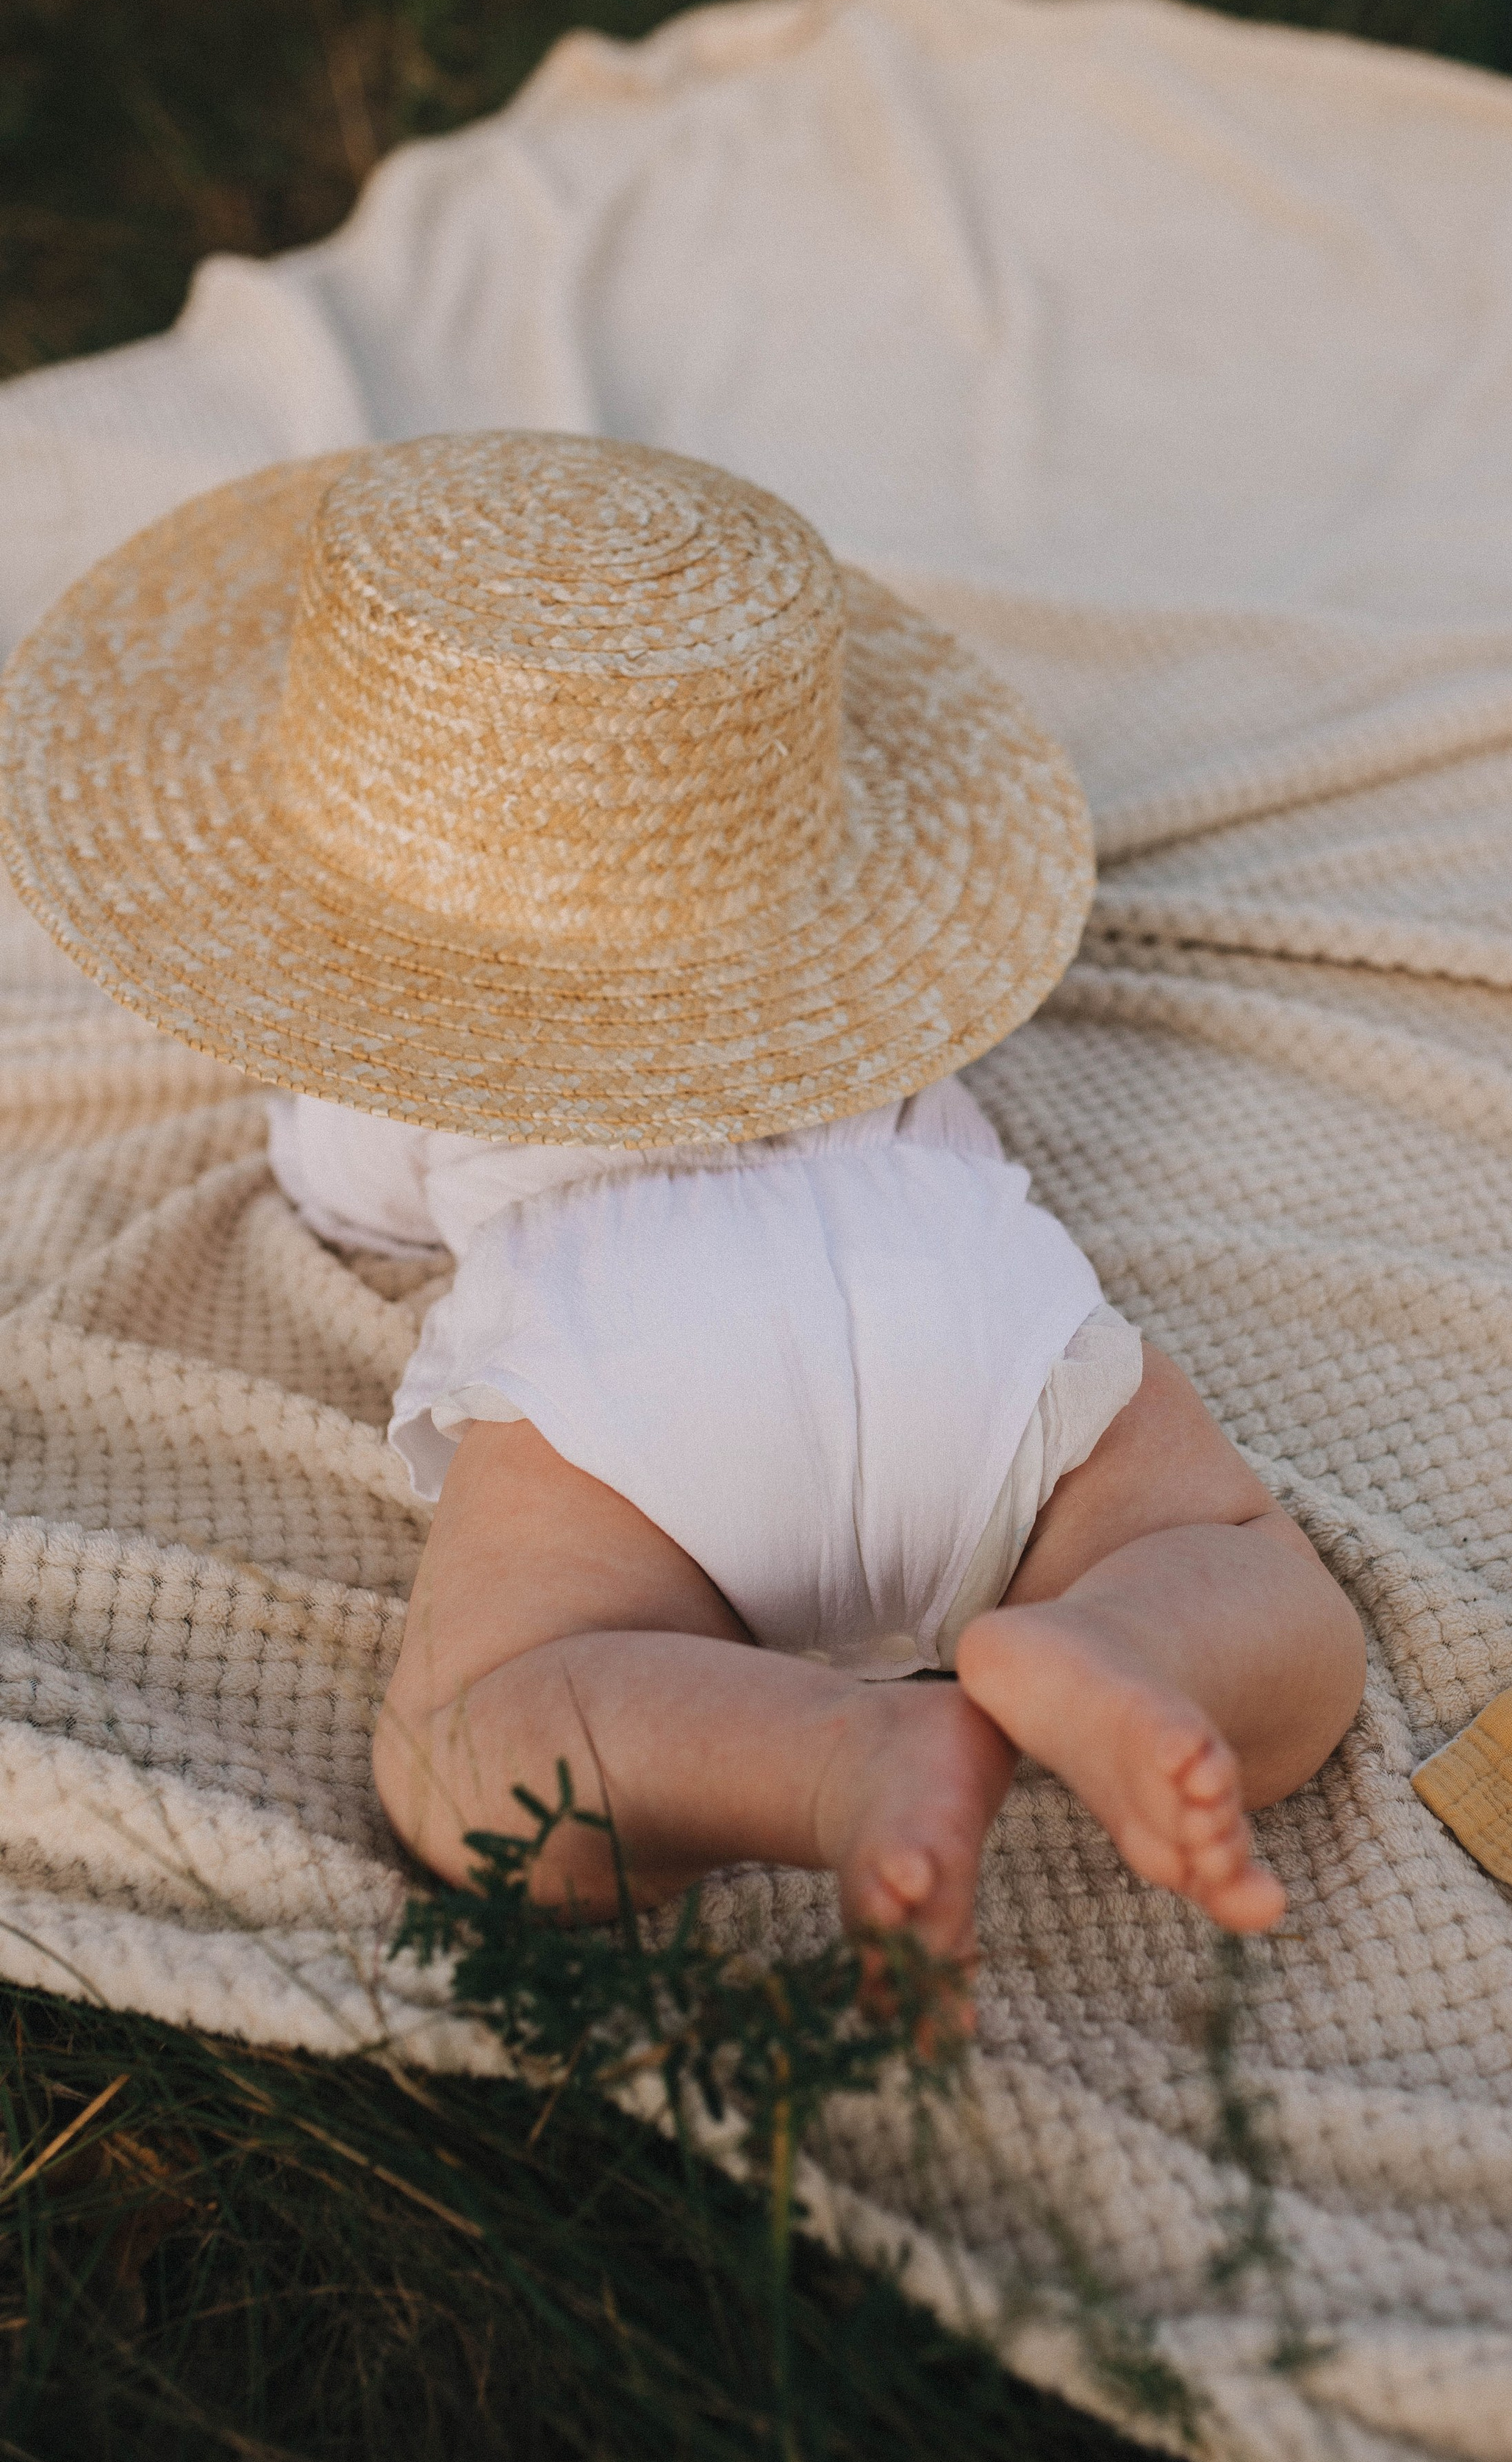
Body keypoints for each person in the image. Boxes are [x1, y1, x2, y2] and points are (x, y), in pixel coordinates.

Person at [0, 429, 1366, 1990]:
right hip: (966, 1310)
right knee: (1261, 1601)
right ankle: (1111, 1645)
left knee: (478, 1748)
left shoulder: (399, 1062)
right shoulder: (880, 989)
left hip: (633, 1371)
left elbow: (347, 1199)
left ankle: (838, 1760)